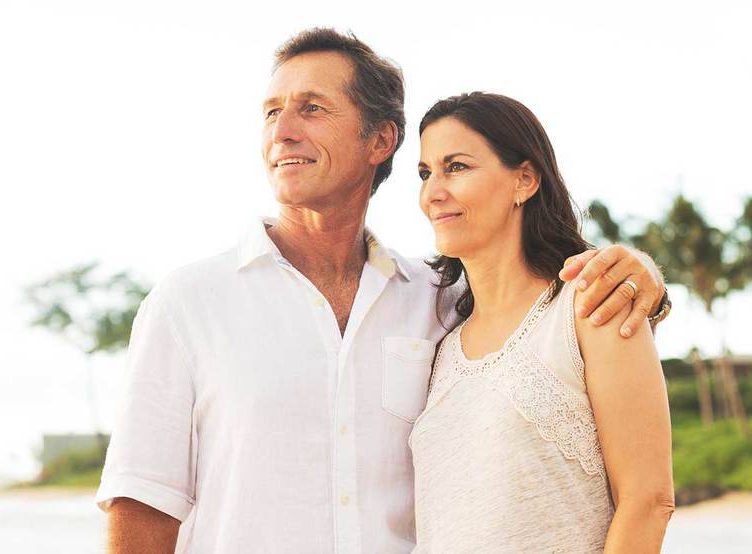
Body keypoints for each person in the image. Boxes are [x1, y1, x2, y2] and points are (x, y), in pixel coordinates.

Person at [96, 29, 670, 553]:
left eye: (312, 108)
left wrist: (643, 274)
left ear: (380, 140)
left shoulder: (436, 300)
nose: (283, 130)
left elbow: (544, 325)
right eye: (272, 111)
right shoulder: (189, 303)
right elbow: (142, 505)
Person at [411, 92, 674, 552]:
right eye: (425, 172)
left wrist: (646, 272)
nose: (433, 192)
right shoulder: (439, 338)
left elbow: (648, 500)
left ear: (525, 180)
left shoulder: (591, 306)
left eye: (457, 167)